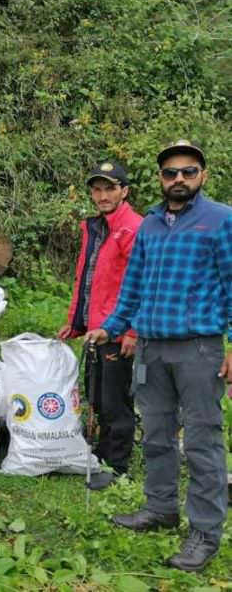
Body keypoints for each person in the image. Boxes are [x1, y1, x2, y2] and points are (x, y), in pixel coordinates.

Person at [85, 140, 232, 572]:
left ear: (202, 176)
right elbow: (133, 287)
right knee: (155, 434)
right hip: (150, 346)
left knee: (203, 440)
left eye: (188, 171)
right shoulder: (149, 225)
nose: (179, 179)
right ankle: (161, 508)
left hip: (198, 348)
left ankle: (205, 531)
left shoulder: (221, 220)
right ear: (161, 179)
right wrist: (110, 326)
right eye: (171, 173)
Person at [57, 161, 142, 490]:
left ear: (124, 191)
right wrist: (74, 323)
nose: (103, 195)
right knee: (96, 395)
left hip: (118, 332)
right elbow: (90, 280)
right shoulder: (98, 227)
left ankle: (116, 466)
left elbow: (142, 283)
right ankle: (102, 456)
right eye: (97, 189)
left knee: (114, 402)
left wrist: (133, 330)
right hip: (97, 329)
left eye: (110, 188)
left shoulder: (131, 228)